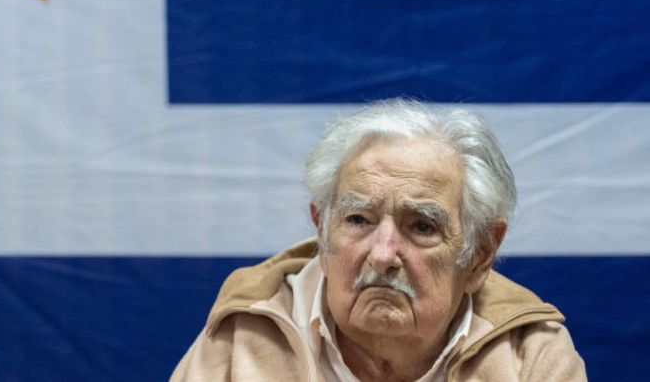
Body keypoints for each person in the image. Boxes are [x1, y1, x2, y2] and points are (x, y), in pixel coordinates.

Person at [171, 99, 586, 381]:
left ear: (480, 254)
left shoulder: (530, 355)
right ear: (322, 229)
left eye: (421, 226)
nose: (383, 255)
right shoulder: (244, 333)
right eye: (358, 219)